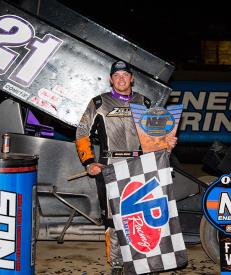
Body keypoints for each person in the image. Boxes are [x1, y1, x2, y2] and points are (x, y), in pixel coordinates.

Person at [75, 60, 177, 274]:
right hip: (109, 167)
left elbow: (154, 136)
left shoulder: (145, 103)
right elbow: (82, 132)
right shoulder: (98, 102)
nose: (121, 79)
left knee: (140, 216)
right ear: (111, 79)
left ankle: (140, 261)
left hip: (140, 165)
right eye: (117, 75)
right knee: (113, 220)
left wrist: (166, 144)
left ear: (132, 78)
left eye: (125, 75)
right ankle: (117, 264)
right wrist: (89, 161)